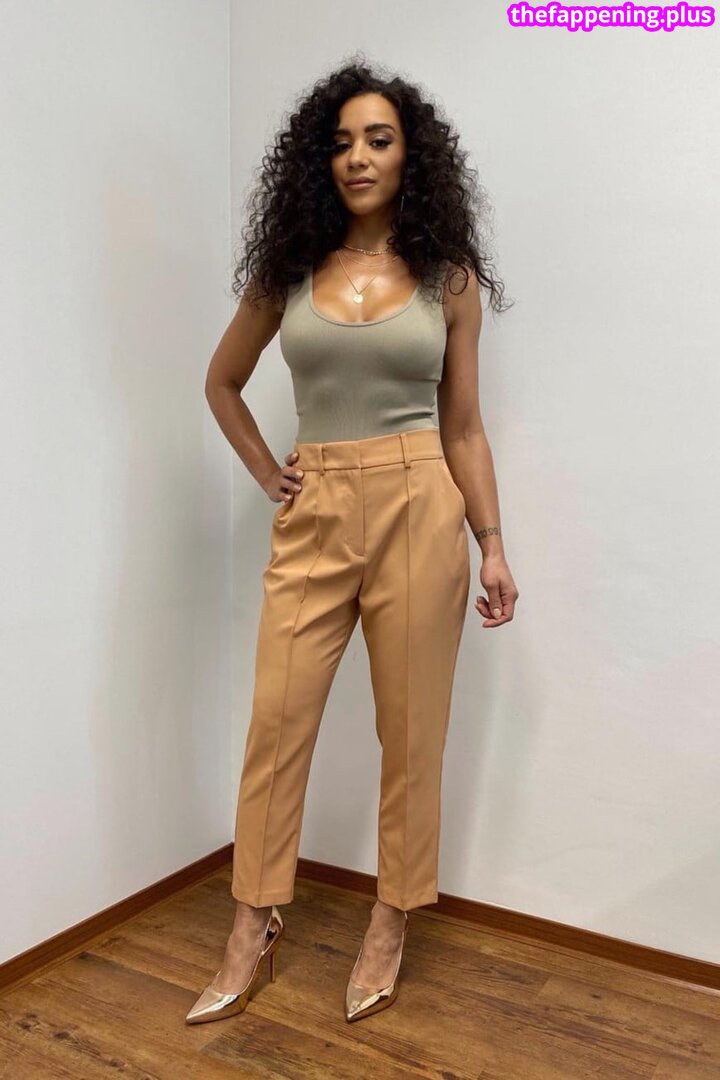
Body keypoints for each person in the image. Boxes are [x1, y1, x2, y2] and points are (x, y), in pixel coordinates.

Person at [185, 58, 519, 1027]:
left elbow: (465, 427)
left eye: (378, 138)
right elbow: (221, 382)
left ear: (412, 154)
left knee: (411, 730)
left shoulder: (449, 281)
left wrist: (493, 542)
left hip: (422, 499)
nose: (358, 157)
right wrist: (268, 472)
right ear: (318, 162)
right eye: (340, 143)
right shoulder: (286, 273)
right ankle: (252, 923)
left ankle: (391, 917)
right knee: (277, 721)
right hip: (318, 505)